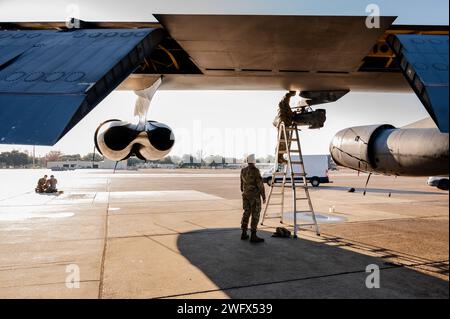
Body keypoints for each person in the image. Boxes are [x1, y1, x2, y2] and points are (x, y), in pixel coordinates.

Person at [240, 154, 266, 243]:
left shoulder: (243, 170)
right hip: (254, 197)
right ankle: (253, 236)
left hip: (245, 195)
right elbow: (260, 185)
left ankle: (243, 233)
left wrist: (245, 190)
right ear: (254, 161)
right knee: (255, 215)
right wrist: (263, 196)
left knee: (246, 213)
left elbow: (241, 185)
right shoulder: (255, 171)